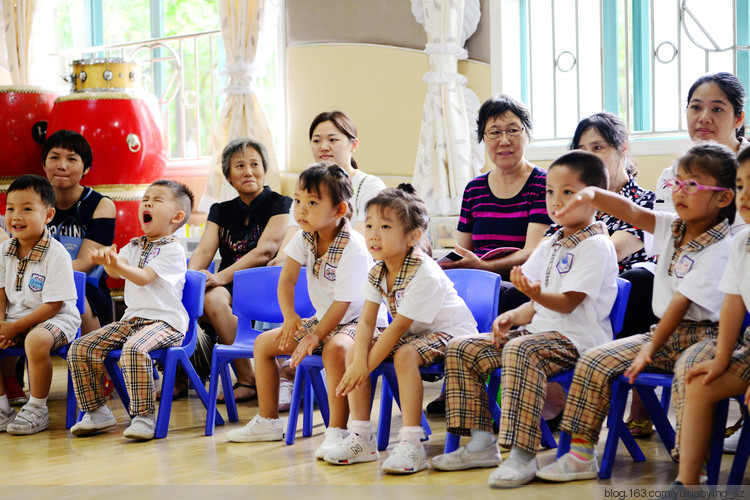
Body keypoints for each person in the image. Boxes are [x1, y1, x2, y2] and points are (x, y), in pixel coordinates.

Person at [536, 143, 736, 483]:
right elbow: (630, 212)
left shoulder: (722, 246)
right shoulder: (673, 226)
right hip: (662, 332)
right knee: (595, 361)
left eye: (692, 185)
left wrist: (649, 347)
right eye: (677, 183)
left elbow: (680, 305)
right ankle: (582, 453)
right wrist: (591, 195)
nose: (679, 192)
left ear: (723, 198)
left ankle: (694, 470)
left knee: (692, 375)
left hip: (706, 337)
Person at [430, 151, 618, 488]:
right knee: (461, 348)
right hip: (537, 334)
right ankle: (481, 443)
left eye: (568, 192)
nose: (555, 201)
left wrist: (534, 296)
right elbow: (534, 303)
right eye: (549, 192)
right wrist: (511, 316)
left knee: (521, 351)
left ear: (596, 199)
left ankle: (522, 453)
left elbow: (568, 302)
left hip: (576, 339)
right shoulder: (551, 243)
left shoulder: (596, 245)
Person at [225, 164, 387, 460]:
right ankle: (268, 421)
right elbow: (286, 280)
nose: (301, 209)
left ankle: (336, 430)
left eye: (312, 202)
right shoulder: (304, 237)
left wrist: (314, 336)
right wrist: (289, 317)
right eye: (298, 201)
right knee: (263, 344)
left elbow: (343, 304)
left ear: (339, 209)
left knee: (335, 349)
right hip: (323, 318)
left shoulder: (353, 247)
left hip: (360, 321)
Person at [322, 184, 477, 474]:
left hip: (453, 332)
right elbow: (367, 321)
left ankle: (411, 442)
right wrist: (358, 360)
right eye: (369, 225)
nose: (373, 234)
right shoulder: (378, 271)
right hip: (416, 334)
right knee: (357, 344)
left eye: (385, 226)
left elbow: (397, 329)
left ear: (413, 236)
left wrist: (362, 369)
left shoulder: (425, 272)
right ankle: (362, 437)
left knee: (403, 354)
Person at [68, 179, 194, 441]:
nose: (147, 202)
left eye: (157, 200)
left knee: (134, 349)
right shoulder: (134, 245)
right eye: (145, 198)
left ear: (177, 216)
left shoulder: (173, 250)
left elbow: (143, 277)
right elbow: (116, 271)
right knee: (80, 347)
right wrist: (108, 262)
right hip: (133, 320)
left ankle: (144, 417)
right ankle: (96, 411)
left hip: (166, 322)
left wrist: (116, 263)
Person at [559, 113, 658, 437]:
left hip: (622, 292)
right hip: (574, 289)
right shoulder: (571, 201)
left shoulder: (644, 201)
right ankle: (551, 398)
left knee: (637, 281)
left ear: (623, 150)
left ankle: (641, 405)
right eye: (582, 148)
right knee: (514, 291)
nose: (589, 156)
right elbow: (553, 252)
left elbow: (612, 252)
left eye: (598, 147)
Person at [2, 130, 116, 407]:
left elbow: (89, 259)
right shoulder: (25, 203)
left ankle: (98, 372)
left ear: (86, 168)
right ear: (44, 164)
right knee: (14, 297)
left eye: (71, 159)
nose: (61, 165)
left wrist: (46, 274)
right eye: (54, 157)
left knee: (77, 295)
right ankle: (10, 381)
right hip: (32, 283)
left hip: (85, 284)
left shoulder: (101, 205)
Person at [184, 138, 291, 403]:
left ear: (264, 170)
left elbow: (266, 251)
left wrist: (219, 276)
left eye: (255, 164)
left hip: (265, 283)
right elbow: (204, 252)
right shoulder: (220, 210)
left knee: (214, 292)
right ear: (229, 176)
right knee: (209, 298)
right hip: (230, 284)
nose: (248, 171)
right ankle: (248, 378)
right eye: (240, 165)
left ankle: (261, 375)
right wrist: (189, 282)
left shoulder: (281, 203)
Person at [668, 146, 750, 489]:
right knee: (699, 382)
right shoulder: (742, 241)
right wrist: (719, 359)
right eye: (742, 186)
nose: (745, 195)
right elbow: (733, 302)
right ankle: (689, 485)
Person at [439, 94, 552, 282]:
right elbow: (463, 251)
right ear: (483, 137)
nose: (504, 141)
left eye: (513, 130)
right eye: (494, 132)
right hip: (478, 281)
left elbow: (532, 252)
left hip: (522, 284)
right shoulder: (474, 189)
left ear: (527, 134)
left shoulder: (544, 184)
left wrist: (484, 267)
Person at [0, 175, 81, 435]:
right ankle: (2, 409)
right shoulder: (4, 250)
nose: (16, 216)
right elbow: (1, 294)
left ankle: (37, 408)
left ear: (48, 215)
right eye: (10, 208)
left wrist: (13, 328)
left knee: (35, 340)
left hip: (57, 320)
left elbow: (54, 306)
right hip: (16, 318)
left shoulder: (56, 254)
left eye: (27, 208)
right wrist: (2, 325)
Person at [271, 110, 387, 263]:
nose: (324, 147)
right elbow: (289, 244)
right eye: (317, 141)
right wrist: (280, 265)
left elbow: (358, 245)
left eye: (332, 140)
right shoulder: (306, 188)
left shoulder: (369, 186)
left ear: (354, 145)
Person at [654, 72, 748, 222]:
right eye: (696, 107)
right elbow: (664, 236)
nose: (704, 118)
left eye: (717, 109)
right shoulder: (671, 176)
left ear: (739, 118)